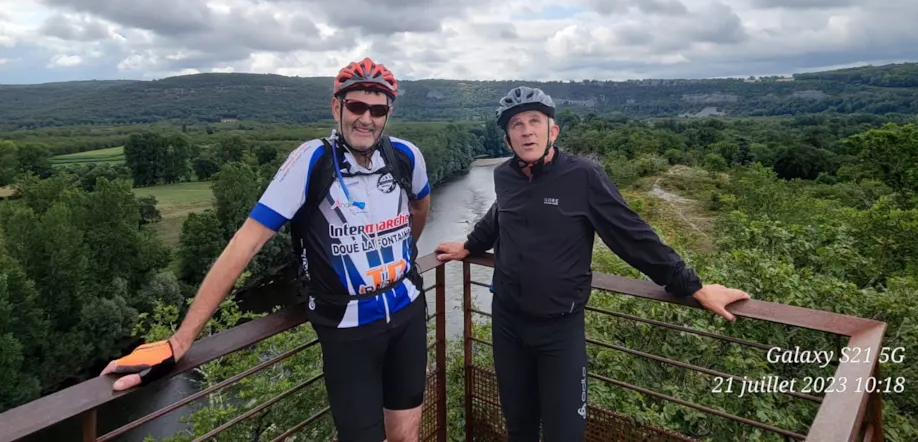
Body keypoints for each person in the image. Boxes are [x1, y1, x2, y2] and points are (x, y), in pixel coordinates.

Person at [101, 58, 433, 442]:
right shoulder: (312, 161)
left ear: (388, 113)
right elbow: (245, 244)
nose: (366, 119)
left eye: (377, 110)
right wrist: (181, 339)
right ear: (336, 106)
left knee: (406, 437)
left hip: (407, 312)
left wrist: (404, 251)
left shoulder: (405, 156)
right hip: (347, 328)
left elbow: (420, 205)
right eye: (357, 106)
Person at [435, 86, 750, 442]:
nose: (526, 130)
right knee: (519, 428)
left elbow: (631, 234)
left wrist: (692, 285)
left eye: (535, 121)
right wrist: (471, 245)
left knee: (564, 434)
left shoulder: (583, 176)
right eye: (517, 125)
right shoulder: (504, 176)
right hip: (507, 323)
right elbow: (499, 215)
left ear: (552, 131)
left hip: (560, 330)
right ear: (507, 140)